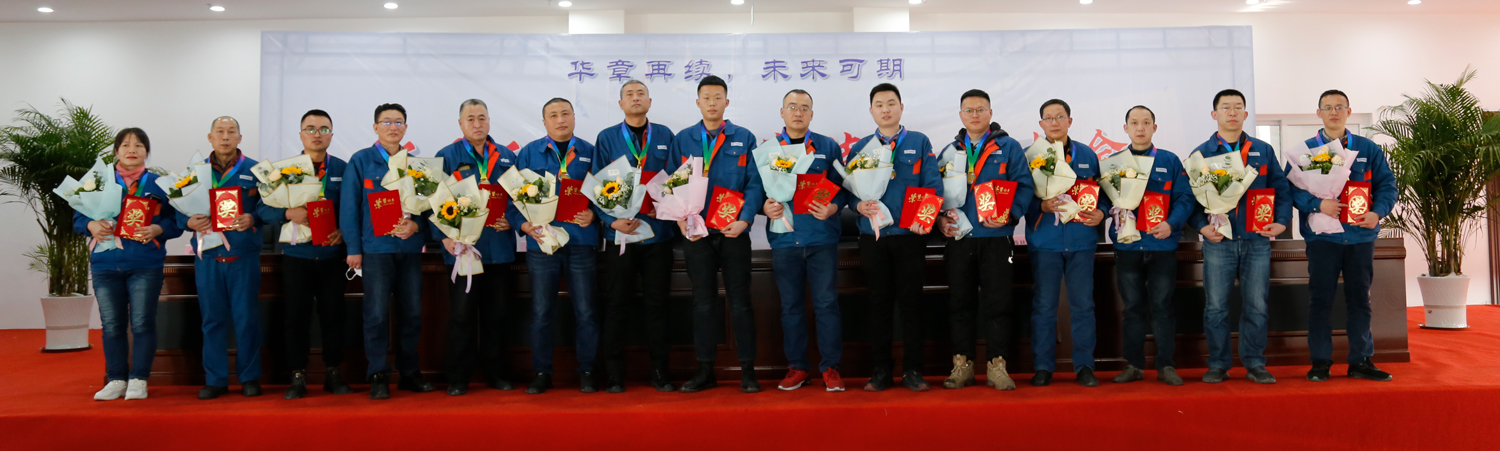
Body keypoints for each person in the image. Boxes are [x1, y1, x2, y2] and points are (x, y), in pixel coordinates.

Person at [666, 75, 766, 394]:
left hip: (734, 232)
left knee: (741, 302)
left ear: (727, 101)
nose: (712, 102)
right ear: (698, 102)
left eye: (717, 97)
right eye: (706, 97)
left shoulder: (744, 137)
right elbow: (672, 184)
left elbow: (754, 183)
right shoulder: (683, 139)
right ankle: (705, 370)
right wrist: (680, 221)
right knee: (703, 303)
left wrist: (745, 221)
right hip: (697, 234)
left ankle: (748, 371)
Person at [1188, 89, 1290, 385]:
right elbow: (1189, 199)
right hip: (1218, 241)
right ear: (1214, 114)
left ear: (1246, 114)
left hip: (1257, 239)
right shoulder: (1201, 154)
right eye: (1225, 107)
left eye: (1237, 107)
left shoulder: (1263, 150)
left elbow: (1281, 190)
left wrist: (1281, 222)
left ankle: (1255, 362)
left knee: (1257, 305)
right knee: (1216, 307)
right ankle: (1218, 364)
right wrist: (1201, 226)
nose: (1232, 112)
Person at [933, 89, 1033, 391]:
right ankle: (961, 365)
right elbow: (935, 192)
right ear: (961, 115)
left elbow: (1024, 186)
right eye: (969, 110)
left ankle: (997, 366)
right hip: (960, 238)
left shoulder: (1008, 147)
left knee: (998, 303)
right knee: (959, 302)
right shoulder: (949, 151)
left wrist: (1010, 216)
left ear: (990, 113)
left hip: (997, 238)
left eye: (980, 109)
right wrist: (939, 220)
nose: (974, 115)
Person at [1293, 89, 1395, 382]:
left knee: (1360, 299)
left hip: (1360, 237)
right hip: (1322, 239)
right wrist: (1318, 205)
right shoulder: (1305, 151)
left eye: (1339, 107)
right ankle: (1320, 362)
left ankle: (1361, 360)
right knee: (1320, 300)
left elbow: (1387, 186)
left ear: (1349, 112)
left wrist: (1377, 212)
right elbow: (1291, 191)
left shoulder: (1367, 148)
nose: (1334, 112)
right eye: (1327, 107)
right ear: (1319, 113)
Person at [845, 83, 940, 392]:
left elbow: (932, 183)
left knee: (912, 304)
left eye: (891, 103)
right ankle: (881, 371)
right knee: (878, 304)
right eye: (879, 104)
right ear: (871, 110)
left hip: (909, 235)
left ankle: (913, 370)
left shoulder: (919, 141)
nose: (885, 109)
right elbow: (847, 190)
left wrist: (925, 218)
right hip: (873, 236)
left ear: (901, 107)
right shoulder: (861, 148)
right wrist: (857, 205)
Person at [340, 103, 436, 399]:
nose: (393, 127)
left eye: (398, 122)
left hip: (409, 250)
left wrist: (417, 226)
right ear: (375, 127)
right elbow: (349, 207)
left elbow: (431, 209)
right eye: (386, 122)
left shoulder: (417, 165)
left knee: (412, 314)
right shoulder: (361, 160)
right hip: (375, 250)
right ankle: (378, 374)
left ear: (405, 127)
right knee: (377, 315)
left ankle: (409, 373)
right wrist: (353, 248)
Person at [81, 128, 183, 401]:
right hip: (105, 263)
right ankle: (116, 379)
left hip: (145, 263)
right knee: (111, 325)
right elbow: (78, 218)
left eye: (139, 145)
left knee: (142, 323)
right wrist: (90, 225)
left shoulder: (160, 184)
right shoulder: (97, 183)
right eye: (125, 145)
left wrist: (158, 229)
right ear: (116, 151)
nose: (132, 150)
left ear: (146, 152)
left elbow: (177, 220)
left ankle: (139, 379)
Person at [258, 110, 354, 399]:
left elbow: (354, 208)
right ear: (300, 135)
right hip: (297, 255)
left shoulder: (344, 168)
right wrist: (287, 213)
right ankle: (297, 375)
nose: (317, 134)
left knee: (334, 316)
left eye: (323, 129)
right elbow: (262, 209)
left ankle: (333, 373)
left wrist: (345, 231)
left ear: (331, 135)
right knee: (295, 318)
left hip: (332, 256)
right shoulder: (284, 170)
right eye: (310, 129)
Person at [509, 97, 602, 395]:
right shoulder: (528, 153)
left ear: (574, 117)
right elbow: (511, 199)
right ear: (544, 121)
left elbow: (607, 193)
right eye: (553, 115)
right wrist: (522, 225)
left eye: (565, 113)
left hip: (581, 242)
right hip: (542, 243)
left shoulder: (591, 152)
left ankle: (587, 370)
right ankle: (542, 372)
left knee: (586, 311)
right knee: (541, 312)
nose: (560, 119)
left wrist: (594, 214)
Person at [432, 99, 521, 395]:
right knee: (461, 316)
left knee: (498, 316)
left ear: (489, 121)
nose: (477, 123)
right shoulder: (446, 156)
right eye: (470, 118)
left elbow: (521, 198)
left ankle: (497, 374)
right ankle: (459, 378)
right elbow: (432, 202)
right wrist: (444, 237)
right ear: (460, 124)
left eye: (482, 117)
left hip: (499, 248)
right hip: (464, 250)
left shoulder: (506, 156)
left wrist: (513, 220)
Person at [761, 89, 848, 392]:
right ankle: (797, 367)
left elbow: (845, 186)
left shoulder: (827, 146)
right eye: (792, 107)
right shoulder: (768, 150)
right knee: (791, 308)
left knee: (827, 305)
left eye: (804, 108)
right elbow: (755, 188)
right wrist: (763, 207)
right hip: (785, 240)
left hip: (821, 239)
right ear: (782, 112)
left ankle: (831, 368)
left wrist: (833, 207)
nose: (798, 112)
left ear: (812, 114)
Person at [593, 80, 678, 393]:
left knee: (658, 305)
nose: (635, 98)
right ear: (620, 104)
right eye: (629, 94)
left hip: (658, 236)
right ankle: (615, 375)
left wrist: (666, 206)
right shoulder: (606, 137)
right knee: (617, 305)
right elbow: (596, 186)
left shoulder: (666, 135)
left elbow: (677, 179)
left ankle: (660, 372)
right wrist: (610, 222)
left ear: (650, 101)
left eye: (641, 93)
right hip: (621, 237)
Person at [1107, 106, 1194, 386]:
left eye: (1146, 122)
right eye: (1134, 123)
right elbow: (1103, 199)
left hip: (1161, 246)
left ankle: (1166, 365)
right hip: (1128, 247)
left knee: (1162, 307)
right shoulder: (1114, 163)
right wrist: (1104, 211)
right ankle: (1133, 365)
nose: (1140, 127)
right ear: (1126, 128)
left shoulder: (1169, 160)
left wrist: (1172, 223)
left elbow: (1185, 198)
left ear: (1155, 128)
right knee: (1132, 309)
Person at [1026, 99, 1109, 388]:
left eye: (1060, 116)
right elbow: (1020, 196)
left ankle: (1085, 366)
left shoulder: (1087, 154)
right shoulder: (1030, 156)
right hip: (1044, 242)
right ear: (1041, 124)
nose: (1054, 122)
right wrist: (1040, 207)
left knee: (1083, 306)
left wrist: (1103, 212)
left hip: (1081, 241)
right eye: (1048, 118)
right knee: (1044, 307)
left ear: (1070, 121)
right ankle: (1043, 367)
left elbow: (1105, 192)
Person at [183, 116, 267, 399]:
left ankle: (249, 377)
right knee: (212, 321)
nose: (225, 136)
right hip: (208, 255)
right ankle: (216, 379)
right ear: (210, 137)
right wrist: (188, 221)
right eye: (219, 131)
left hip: (243, 256)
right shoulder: (195, 173)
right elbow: (176, 211)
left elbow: (271, 208)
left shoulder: (256, 170)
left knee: (247, 319)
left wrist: (253, 217)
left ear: (240, 138)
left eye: (231, 131)